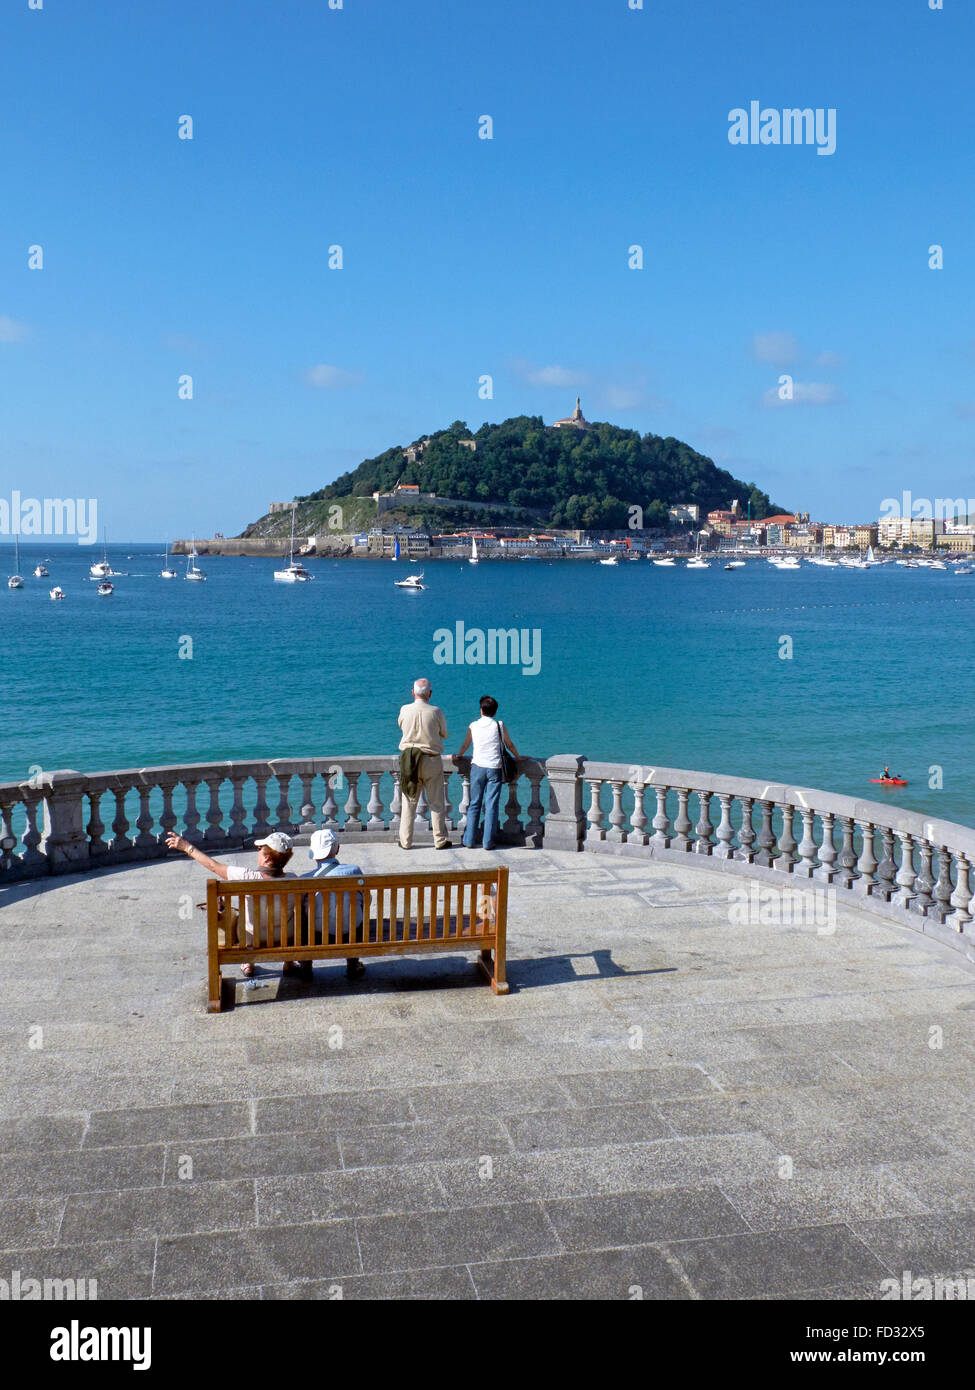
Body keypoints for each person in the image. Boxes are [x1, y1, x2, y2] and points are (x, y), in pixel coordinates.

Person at [165, 830, 294, 978]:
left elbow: (213, 866)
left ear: (266, 857)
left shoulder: (246, 876)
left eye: (260, 850)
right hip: (286, 936)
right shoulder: (294, 879)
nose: (258, 852)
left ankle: (248, 962)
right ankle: (289, 962)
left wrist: (187, 847)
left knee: (242, 917)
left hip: (251, 939)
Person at [453, 694, 519, 850]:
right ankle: (487, 842)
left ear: (481, 710)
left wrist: (459, 756)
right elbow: (509, 744)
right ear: (494, 712)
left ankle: (469, 840)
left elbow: (465, 745)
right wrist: (518, 756)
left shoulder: (473, 725)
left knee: (474, 804)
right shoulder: (499, 725)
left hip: (477, 768)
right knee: (491, 805)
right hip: (494, 768)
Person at [397, 677, 452, 849]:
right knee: (436, 802)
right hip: (431, 759)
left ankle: (405, 841)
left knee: (409, 801)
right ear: (430, 693)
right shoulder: (436, 711)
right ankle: (440, 840)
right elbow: (444, 733)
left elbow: (400, 725)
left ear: (413, 692)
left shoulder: (404, 709)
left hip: (409, 760)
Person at [305, 828, 366, 981]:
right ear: (337, 849)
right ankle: (353, 963)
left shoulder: (305, 879)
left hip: (317, 936)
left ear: (312, 852)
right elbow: (366, 900)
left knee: (303, 917)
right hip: (351, 934)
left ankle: (305, 965)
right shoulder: (354, 871)